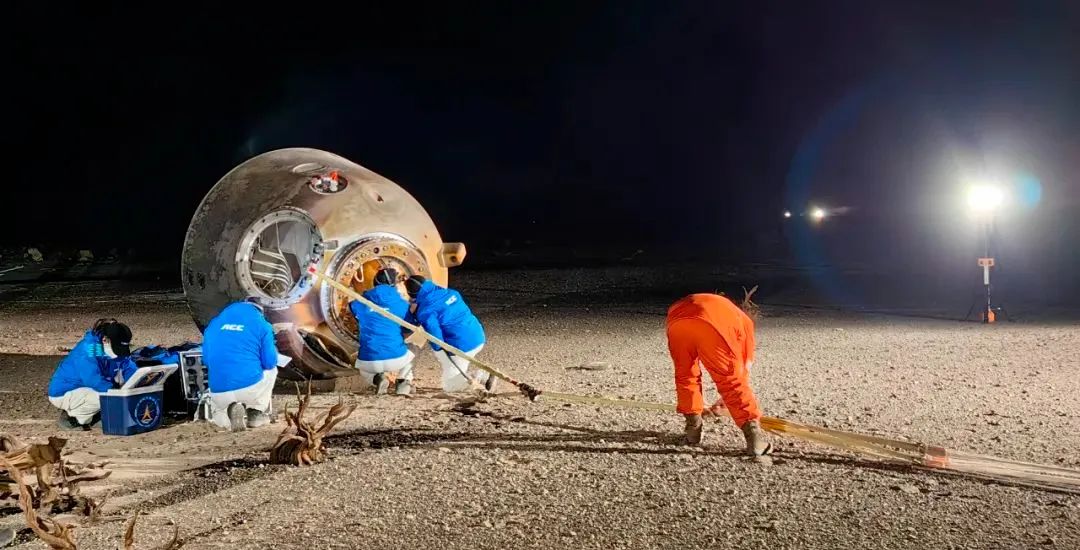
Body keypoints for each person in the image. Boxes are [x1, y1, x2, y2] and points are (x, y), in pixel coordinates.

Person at [666, 293, 772, 456]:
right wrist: (726, 402)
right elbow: (743, 367)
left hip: (677, 320)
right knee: (730, 380)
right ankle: (754, 438)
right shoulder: (743, 320)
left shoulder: (720, 304)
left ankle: (692, 430)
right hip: (712, 325)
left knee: (685, 375)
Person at [201, 297, 279, 432]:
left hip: (218, 390)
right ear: (259, 310)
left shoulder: (213, 324)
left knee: (220, 420)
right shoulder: (262, 325)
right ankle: (255, 413)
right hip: (249, 387)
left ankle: (228, 411)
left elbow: (206, 361)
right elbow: (270, 362)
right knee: (272, 370)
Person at [47, 319, 138, 430]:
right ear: (105, 340)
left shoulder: (109, 348)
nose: (120, 352)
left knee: (115, 394)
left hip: (86, 388)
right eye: (118, 348)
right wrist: (114, 390)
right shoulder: (88, 350)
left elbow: (128, 366)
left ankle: (97, 414)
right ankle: (72, 418)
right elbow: (92, 379)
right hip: (64, 392)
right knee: (107, 397)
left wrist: (137, 382)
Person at [404, 275, 489, 392]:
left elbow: (434, 336)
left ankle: (482, 376)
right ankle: (478, 376)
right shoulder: (452, 293)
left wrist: (440, 351)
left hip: (461, 346)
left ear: (413, 295)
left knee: (450, 386)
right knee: (459, 368)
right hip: (478, 337)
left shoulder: (426, 310)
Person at [350, 268, 415, 395]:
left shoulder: (361, 301)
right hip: (396, 357)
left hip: (369, 359)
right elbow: (409, 325)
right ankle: (404, 382)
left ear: (375, 282)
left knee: (363, 370)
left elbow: (351, 308)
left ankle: (377, 378)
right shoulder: (401, 304)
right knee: (410, 356)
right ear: (394, 284)